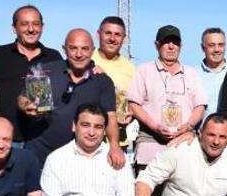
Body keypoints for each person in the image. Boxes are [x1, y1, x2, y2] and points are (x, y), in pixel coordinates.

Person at [19, 29, 123, 168]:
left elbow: (110, 117)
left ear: (92, 50)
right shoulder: (45, 72)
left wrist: (114, 146)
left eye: (84, 49)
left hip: (79, 160)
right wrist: (26, 105)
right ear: (64, 49)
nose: (79, 54)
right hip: (39, 156)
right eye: (73, 48)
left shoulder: (102, 81)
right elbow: (24, 98)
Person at [0, 5, 63, 149]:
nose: (31, 29)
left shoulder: (54, 57)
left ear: (42, 27)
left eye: (36, 24)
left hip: (42, 138)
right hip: (6, 140)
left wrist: (94, 67)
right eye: (24, 24)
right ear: (14, 28)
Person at [128, 25, 207, 171]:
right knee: (149, 192)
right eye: (166, 42)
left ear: (181, 46)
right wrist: (155, 126)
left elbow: (200, 107)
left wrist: (189, 125)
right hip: (151, 145)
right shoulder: (143, 70)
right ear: (156, 45)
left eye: (175, 42)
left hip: (184, 145)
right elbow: (134, 105)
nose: (171, 46)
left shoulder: (191, 73)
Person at [91, 16, 137, 152]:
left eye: (117, 34)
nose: (112, 39)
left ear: (125, 38)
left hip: (117, 144)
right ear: (98, 35)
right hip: (87, 140)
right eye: (108, 33)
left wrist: (131, 115)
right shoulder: (86, 60)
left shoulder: (131, 69)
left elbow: (136, 102)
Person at [197, 27, 227, 115]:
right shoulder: (192, 74)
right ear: (203, 48)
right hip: (201, 128)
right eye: (211, 45)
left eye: (221, 45)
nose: (217, 49)